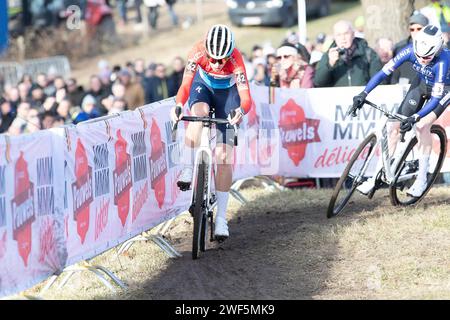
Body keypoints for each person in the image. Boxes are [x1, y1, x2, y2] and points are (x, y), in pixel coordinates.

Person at [170, 24, 252, 241]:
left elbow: (246, 98)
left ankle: (222, 219)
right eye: (212, 58)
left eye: (220, 60)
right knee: (199, 115)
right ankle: (187, 169)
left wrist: (240, 110)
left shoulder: (236, 59)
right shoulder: (197, 51)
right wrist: (179, 105)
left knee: (224, 157)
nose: (216, 63)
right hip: (203, 87)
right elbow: (186, 85)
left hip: (228, 95)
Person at [354, 25, 450, 198]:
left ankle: (422, 179)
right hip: (421, 83)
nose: (421, 60)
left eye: (427, 57)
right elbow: (382, 73)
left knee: (422, 126)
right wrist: (363, 93)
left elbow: (435, 99)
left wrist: (415, 117)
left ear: (436, 50)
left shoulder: (443, 61)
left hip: (443, 89)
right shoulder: (409, 51)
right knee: (394, 127)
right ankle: (377, 176)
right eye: (418, 56)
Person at [314, 20, 382, 87]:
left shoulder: (368, 53)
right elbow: (318, 82)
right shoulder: (328, 55)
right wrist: (330, 64)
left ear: (353, 34)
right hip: (338, 97)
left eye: (346, 33)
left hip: (363, 96)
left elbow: (379, 81)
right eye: (339, 35)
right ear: (334, 37)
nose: (343, 38)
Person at [391, 12, 429, 84]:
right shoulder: (400, 48)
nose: (415, 32)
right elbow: (395, 74)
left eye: (419, 29)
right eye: (412, 29)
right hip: (405, 88)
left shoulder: (436, 48)